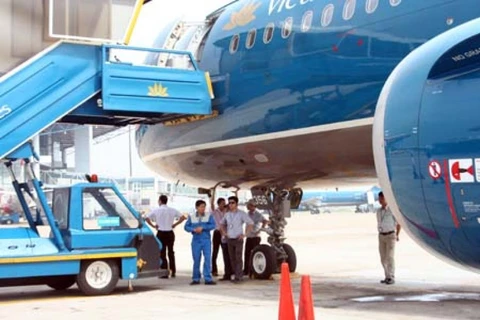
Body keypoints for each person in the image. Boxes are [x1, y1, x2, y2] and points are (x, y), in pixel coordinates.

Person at [145, 195, 186, 278]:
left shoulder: (156, 210)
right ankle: (173, 270)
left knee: (162, 253)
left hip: (161, 233)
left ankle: (164, 272)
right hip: (170, 232)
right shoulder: (172, 210)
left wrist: (153, 226)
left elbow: (146, 218)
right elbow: (183, 217)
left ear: (160, 201)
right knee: (171, 252)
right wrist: (175, 224)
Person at [220, 196, 254, 283]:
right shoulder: (227, 214)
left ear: (236, 204)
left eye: (232, 203)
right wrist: (224, 232)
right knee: (232, 258)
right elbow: (222, 224)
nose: (230, 205)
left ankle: (239, 276)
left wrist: (245, 234)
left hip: (238, 239)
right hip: (230, 239)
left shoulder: (241, 213)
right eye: (229, 203)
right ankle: (236, 275)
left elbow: (250, 223)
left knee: (238, 257)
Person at [184, 200, 217, 285]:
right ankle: (196, 278)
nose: (203, 208)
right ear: (197, 207)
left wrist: (203, 227)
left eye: (204, 207)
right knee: (196, 259)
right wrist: (194, 229)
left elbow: (213, 225)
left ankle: (207, 278)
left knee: (207, 258)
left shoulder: (208, 216)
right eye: (201, 206)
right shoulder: (191, 217)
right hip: (196, 240)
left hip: (206, 240)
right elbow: (186, 227)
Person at [376, 191, 401, 285]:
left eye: (382, 198)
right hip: (381, 235)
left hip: (391, 235)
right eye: (379, 198)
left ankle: (391, 276)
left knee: (389, 256)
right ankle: (387, 276)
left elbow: (398, 223)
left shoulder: (392, 210)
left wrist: (397, 234)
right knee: (383, 258)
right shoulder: (378, 211)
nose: (380, 200)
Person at [244, 199, 269, 277]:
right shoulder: (247, 214)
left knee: (254, 254)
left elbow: (265, 221)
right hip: (249, 237)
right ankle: (246, 270)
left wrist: (261, 229)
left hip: (255, 237)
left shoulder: (258, 214)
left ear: (253, 206)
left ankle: (253, 270)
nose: (247, 206)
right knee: (247, 254)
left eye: (249, 205)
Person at [211, 197, 228, 277]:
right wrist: (212, 193)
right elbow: (211, 204)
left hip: (224, 233)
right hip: (217, 232)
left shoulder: (226, 211)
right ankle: (214, 270)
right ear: (219, 204)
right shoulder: (215, 211)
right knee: (215, 252)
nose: (224, 205)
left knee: (225, 252)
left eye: (224, 203)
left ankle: (227, 271)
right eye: (222, 203)